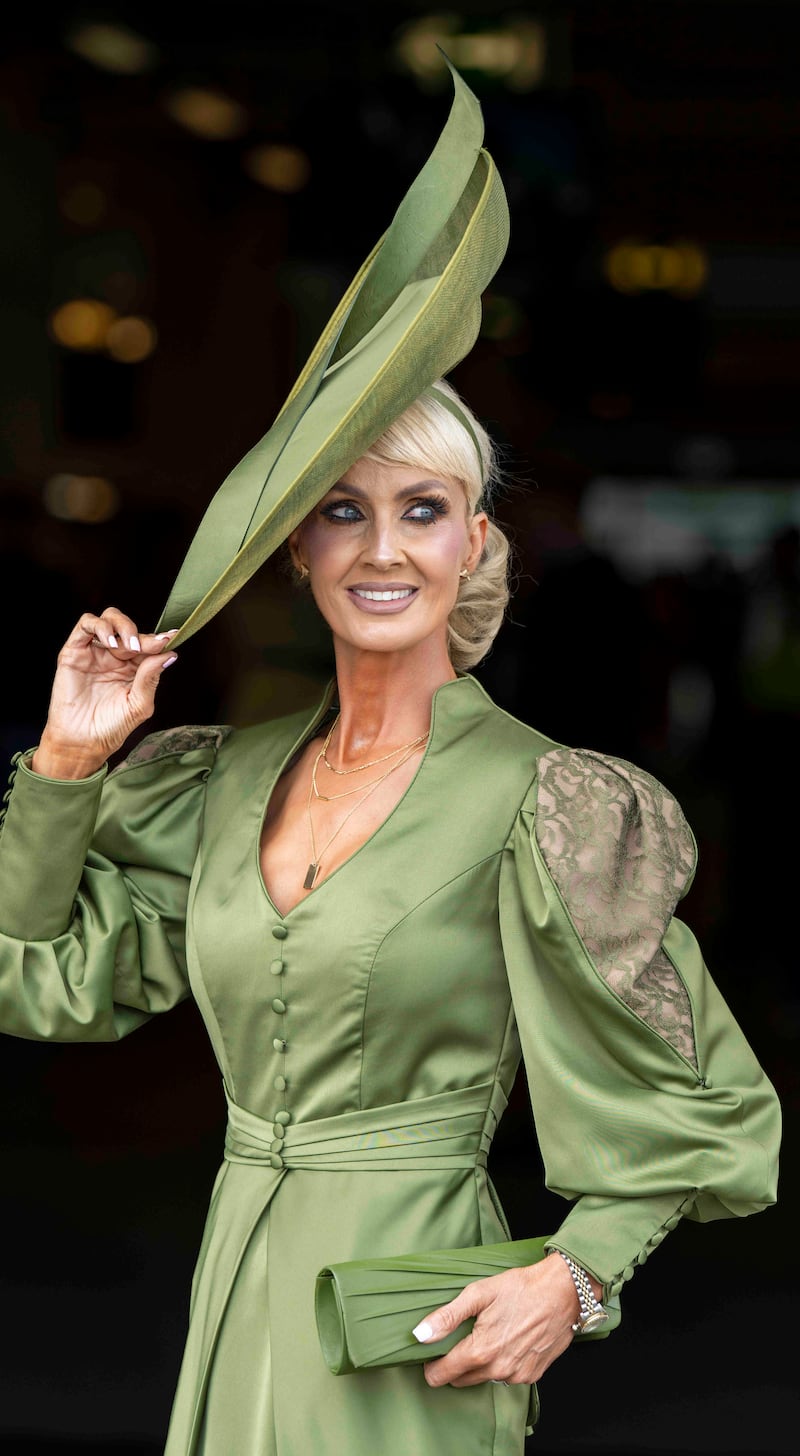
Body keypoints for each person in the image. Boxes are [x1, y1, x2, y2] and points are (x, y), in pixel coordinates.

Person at [0, 68, 780, 1456]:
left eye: (424, 510)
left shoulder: (549, 802)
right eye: (342, 512)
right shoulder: (217, 783)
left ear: (473, 543)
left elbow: (701, 1101)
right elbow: (42, 986)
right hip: (234, 1289)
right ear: (297, 551)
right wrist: (64, 768)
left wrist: (576, 1273)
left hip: (420, 1326)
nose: (380, 548)